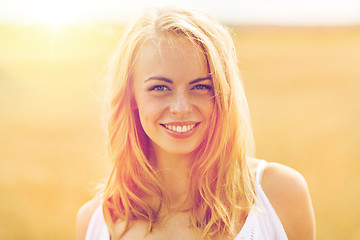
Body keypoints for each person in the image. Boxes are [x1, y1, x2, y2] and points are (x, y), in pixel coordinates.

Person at [76, 6, 315, 240]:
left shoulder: (279, 195)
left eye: (201, 87)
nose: (181, 107)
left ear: (223, 95)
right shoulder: (94, 223)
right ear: (131, 96)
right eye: (160, 88)